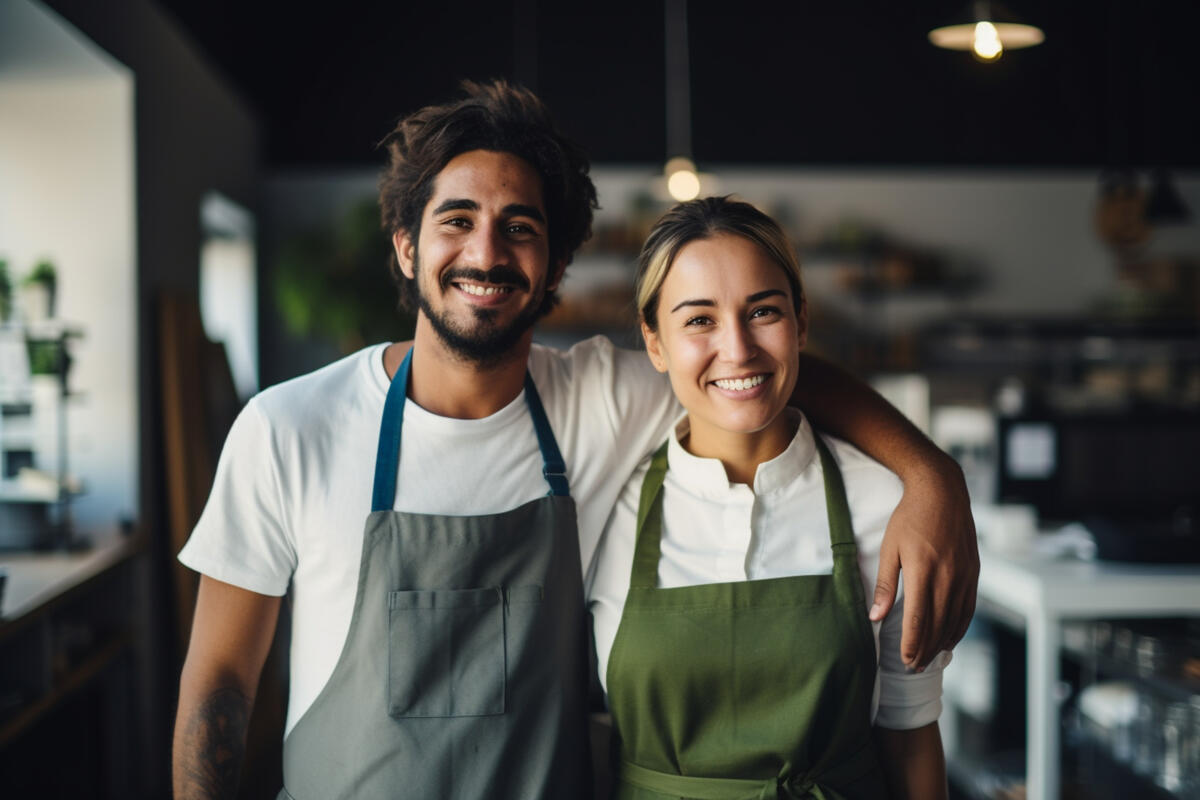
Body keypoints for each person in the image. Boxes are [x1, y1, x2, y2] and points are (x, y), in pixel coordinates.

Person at [172, 81, 976, 800]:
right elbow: (218, 687)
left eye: (519, 228)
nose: (486, 252)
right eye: (457, 221)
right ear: (407, 244)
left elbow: (756, 374)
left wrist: (930, 475)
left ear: (553, 268)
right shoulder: (288, 428)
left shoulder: (599, 399)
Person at [589, 196, 949, 800]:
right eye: (698, 319)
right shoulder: (605, 506)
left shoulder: (885, 504)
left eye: (762, 312)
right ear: (655, 342)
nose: (737, 349)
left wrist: (939, 480)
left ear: (801, 323)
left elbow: (911, 738)